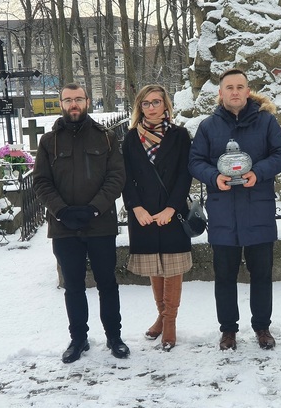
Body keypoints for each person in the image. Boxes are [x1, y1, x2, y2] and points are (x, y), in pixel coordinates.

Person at [188, 68, 281, 351]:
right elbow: (195, 161)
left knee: (262, 275)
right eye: (229, 87)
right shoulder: (208, 126)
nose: (234, 92)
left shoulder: (266, 122)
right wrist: (214, 177)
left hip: (258, 209)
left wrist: (258, 172)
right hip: (223, 212)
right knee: (224, 277)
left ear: (248, 91)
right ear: (220, 93)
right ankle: (228, 330)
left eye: (240, 87)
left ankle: (262, 327)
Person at [33, 83, 130, 363]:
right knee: (73, 286)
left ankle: (114, 336)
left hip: (100, 225)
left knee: (107, 283)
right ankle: (78, 339)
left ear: (87, 101)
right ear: (61, 103)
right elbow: (41, 181)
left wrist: (94, 209)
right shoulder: (49, 141)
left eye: (78, 99)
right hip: (63, 226)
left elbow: (116, 177)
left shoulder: (106, 138)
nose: (73, 104)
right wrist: (61, 211)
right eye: (68, 100)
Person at [122, 84, 192, 351]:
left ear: (165, 105)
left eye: (156, 102)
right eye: (146, 103)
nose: (151, 107)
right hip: (144, 213)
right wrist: (136, 208)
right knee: (154, 266)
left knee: (172, 266)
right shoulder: (131, 138)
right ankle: (161, 317)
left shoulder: (180, 135)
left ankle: (170, 321)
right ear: (140, 107)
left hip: (172, 211)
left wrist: (172, 208)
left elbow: (185, 175)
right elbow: (125, 176)